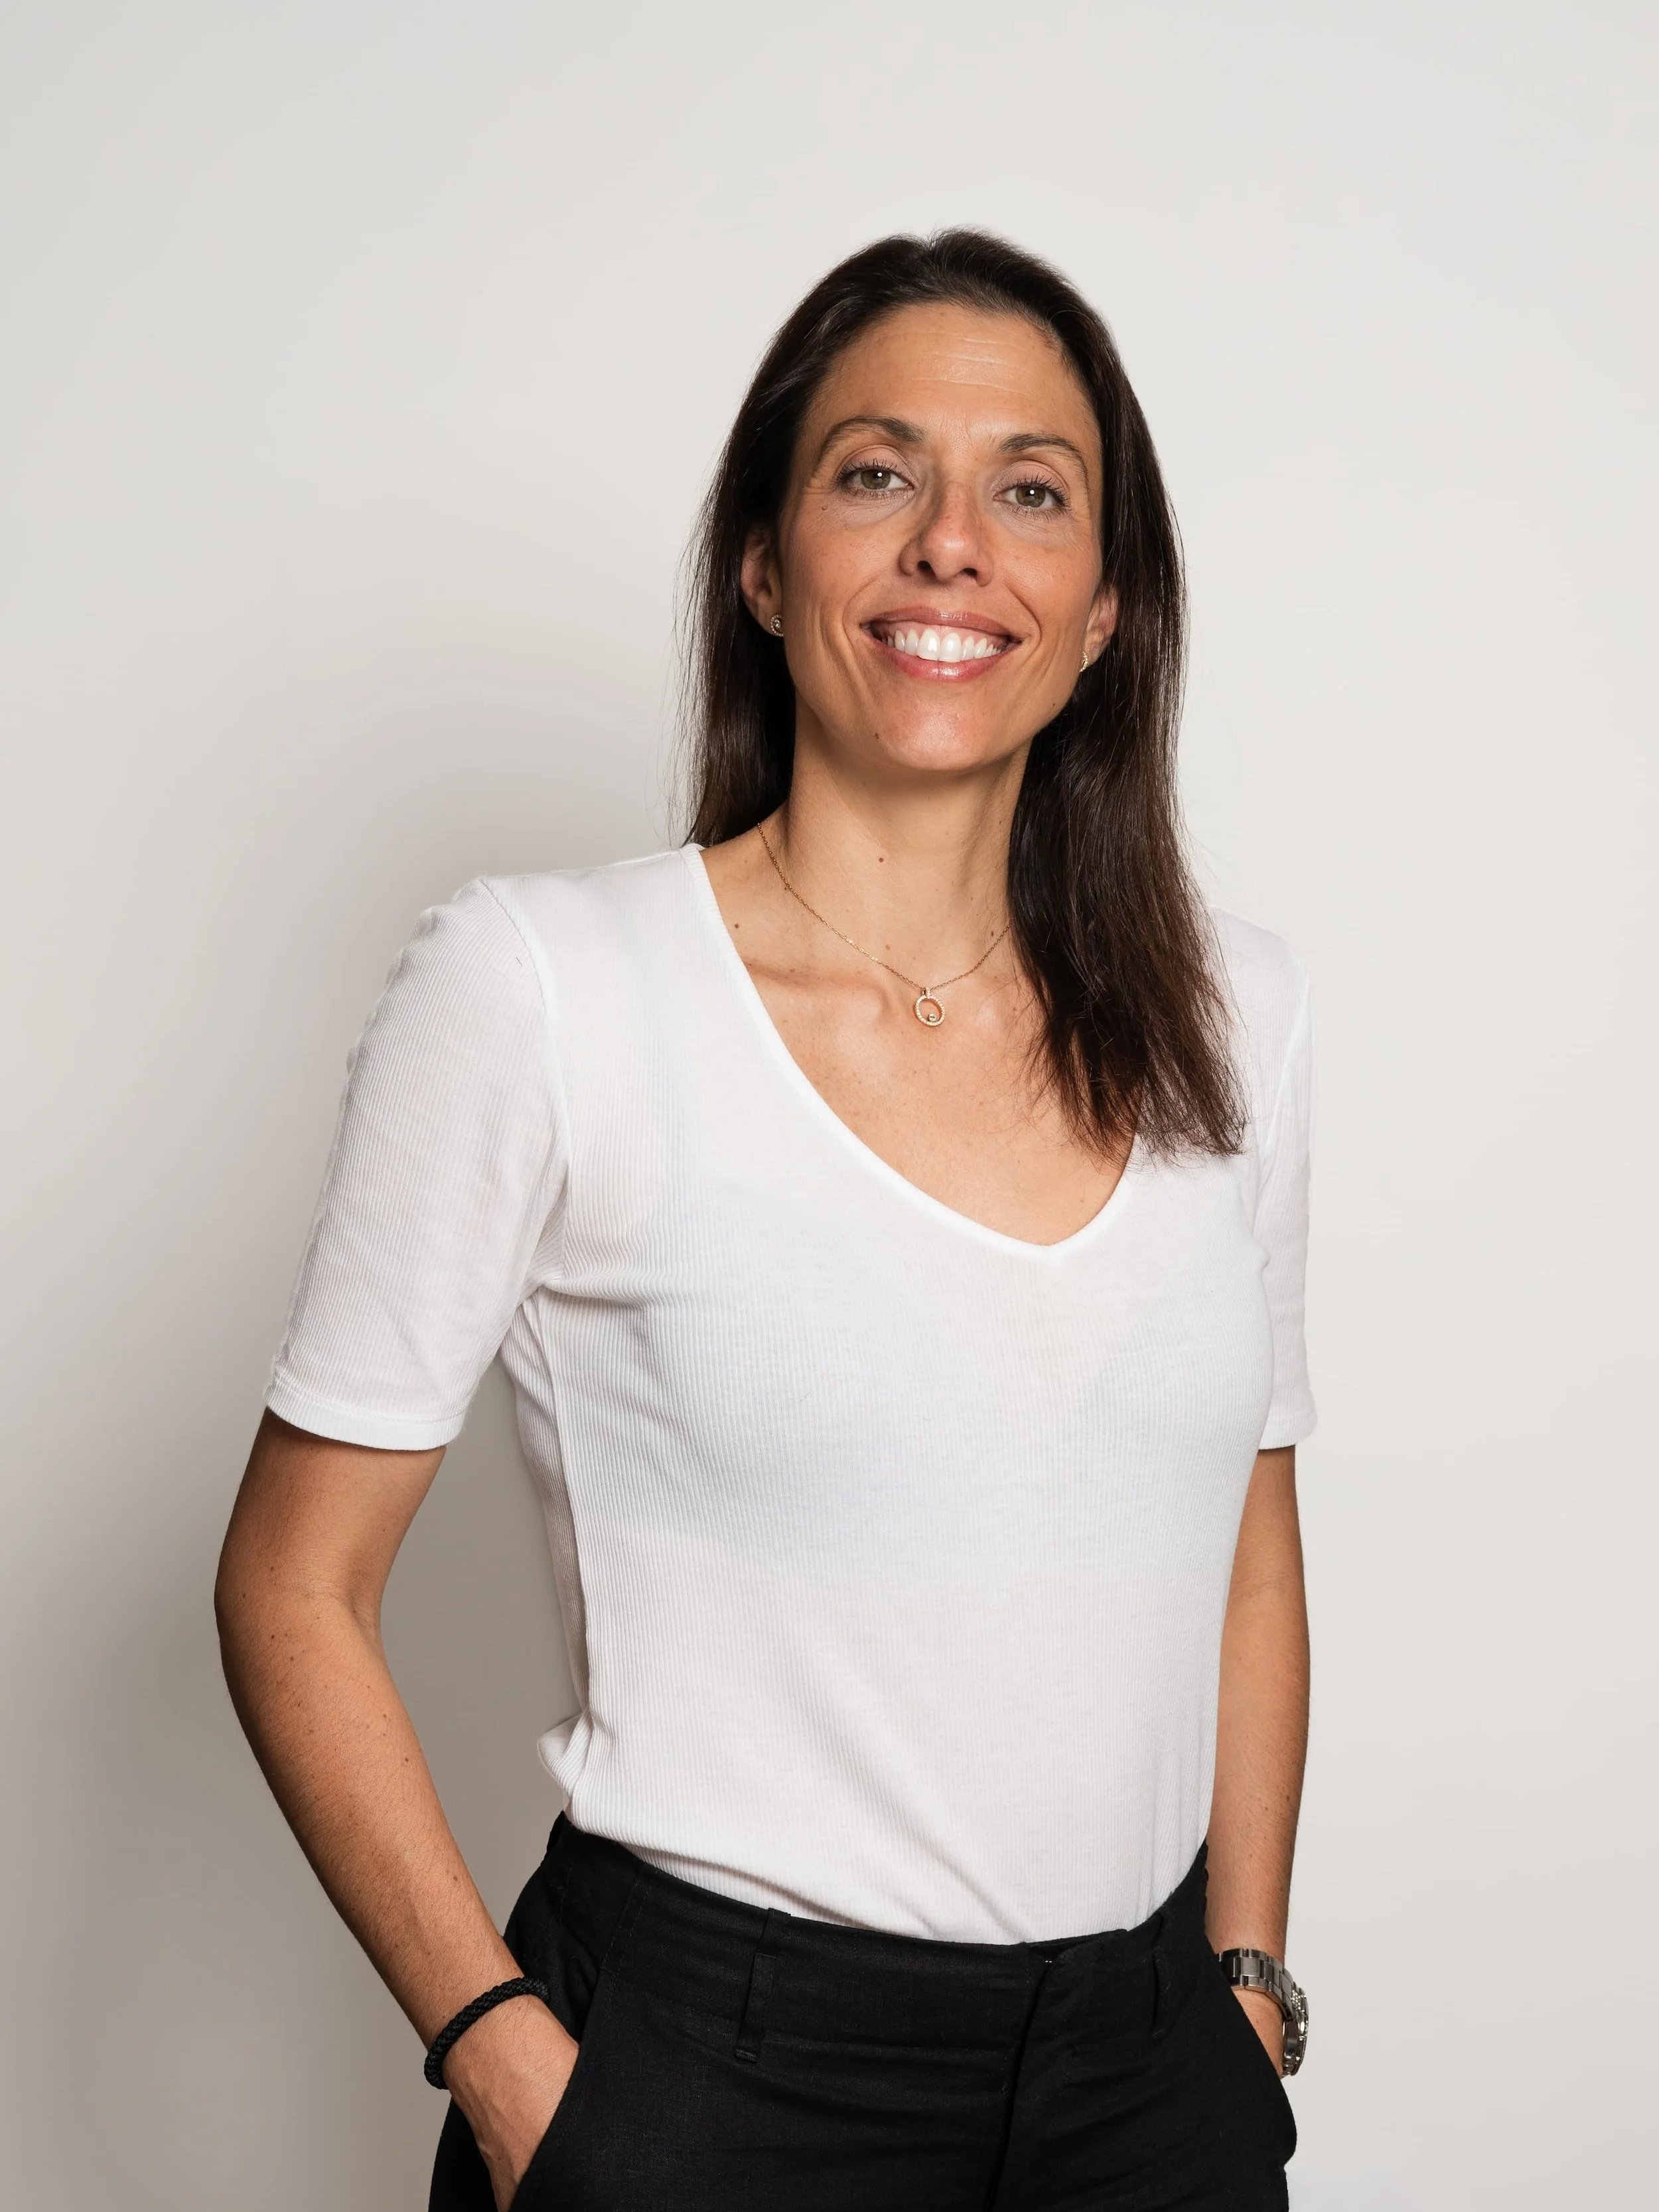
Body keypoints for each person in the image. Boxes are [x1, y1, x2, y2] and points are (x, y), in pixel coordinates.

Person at [216, 228, 1315, 2212]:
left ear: (1105, 612)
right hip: (704, 2091)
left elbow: (1243, 1548)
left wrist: (1241, 1989)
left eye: (1031, 490)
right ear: (759, 559)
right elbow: (290, 1586)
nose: (951, 544)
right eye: (876, 472)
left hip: (1147, 2089)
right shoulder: (544, 988)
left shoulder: (1230, 1016)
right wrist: (508, 2065)